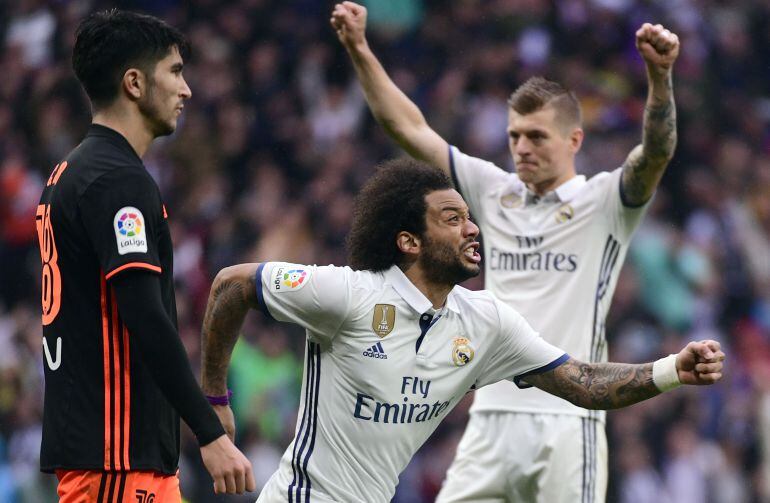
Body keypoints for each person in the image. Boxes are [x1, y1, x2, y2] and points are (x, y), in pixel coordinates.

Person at [199, 159, 723, 503]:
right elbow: (230, 286)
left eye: (470, 217)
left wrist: (669, 370)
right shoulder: (350, 296)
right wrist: (215, 398)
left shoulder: (486, 323)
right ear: (409, 241)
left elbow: (582, 382)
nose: (472, 227)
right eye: (452, 218)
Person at [331, 3, 680, 501]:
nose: (521, 148)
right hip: (493, 413)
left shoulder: (605, 200)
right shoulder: (494, 191)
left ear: (574, 139)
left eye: (536, 136)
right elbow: (408, 129)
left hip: (569, 416)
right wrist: (360, 48)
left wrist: (660, 78)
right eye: (514, 135)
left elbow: (657, 153)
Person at [34, 10, 255, 500]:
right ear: (134, 83)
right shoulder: (117, 180)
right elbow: (144, 315)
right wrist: (209, 433)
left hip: (120, 458)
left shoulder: (71, 172)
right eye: (175, 71)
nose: (187, 90)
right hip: (116, 459)